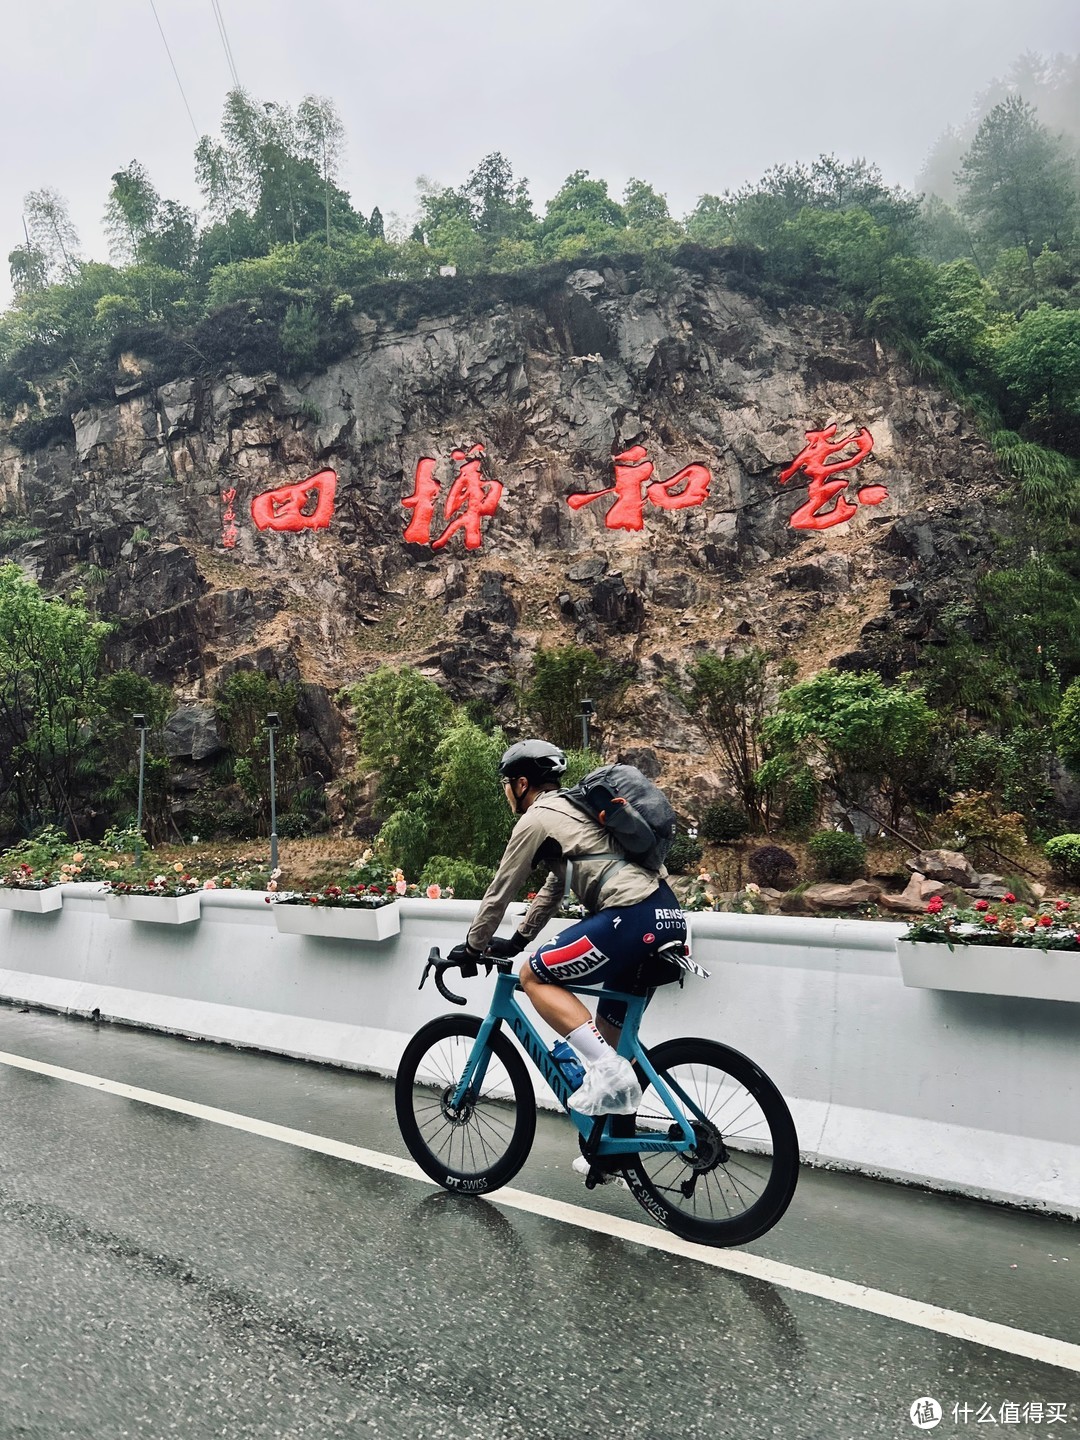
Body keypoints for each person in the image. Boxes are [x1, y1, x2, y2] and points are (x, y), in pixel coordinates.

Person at [445, 738, 687, 1122]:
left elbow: (500, 891)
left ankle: (609, 1072)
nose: (507, 792)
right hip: (664, 913)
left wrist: (473, 947)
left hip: (631, 914)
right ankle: (613, 1146)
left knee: (533, 976)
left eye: (507, 784)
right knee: (608, 1037)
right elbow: (555, 887)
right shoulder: (575, 813)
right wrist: (520, 938)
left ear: (521, 784)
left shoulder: (536, 818)